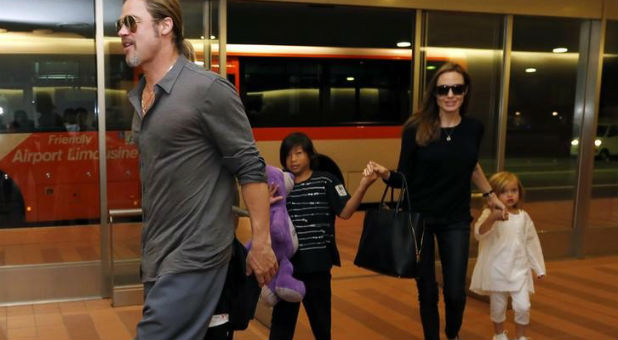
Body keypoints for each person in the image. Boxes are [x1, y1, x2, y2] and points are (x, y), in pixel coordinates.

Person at [116, 0, 277, 339]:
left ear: (165, 26)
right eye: (120, 24)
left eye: (131, 22)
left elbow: (249, 166)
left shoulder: (207, 90)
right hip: (158, 255)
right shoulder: (141, 99)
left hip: (196, 254)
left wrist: (261, 244)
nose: (121, 31)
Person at [366, 62, 507, 340]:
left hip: (455, 219)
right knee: (427, 289)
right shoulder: (416, 129)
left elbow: (471, 165)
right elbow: (403, 177)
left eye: (457, 88)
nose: (450, 94)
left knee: (455, 291)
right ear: (435, 93)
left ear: (465, 92)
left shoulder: (473, 128)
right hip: (419, 218)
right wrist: (385, 174)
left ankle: (452, 334)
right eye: (444, 89)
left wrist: (490, 195)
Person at [269, 132, 377, 340]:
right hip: (287, 269)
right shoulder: (280, 183)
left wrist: (363, 185)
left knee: (321, 328)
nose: (293, 159)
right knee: (281, 330)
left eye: (299, 153)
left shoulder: (327, 180)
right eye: (288, 155)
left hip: (318, 266)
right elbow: (271, 220)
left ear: (310, 155)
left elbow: (345, 212)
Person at [470, 171, 545, 340]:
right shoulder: (489, 214)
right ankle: (499, 334)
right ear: (493, 195)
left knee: (523, 306)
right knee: (498, 307)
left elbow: (531, 242)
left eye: (513, 190)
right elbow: (478, 233)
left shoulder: (524, 217)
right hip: (497, 270)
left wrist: (538, 267)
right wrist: (493, 219)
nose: (510, 195)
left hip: (519, 269)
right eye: (503, 192)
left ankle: (521, 336)